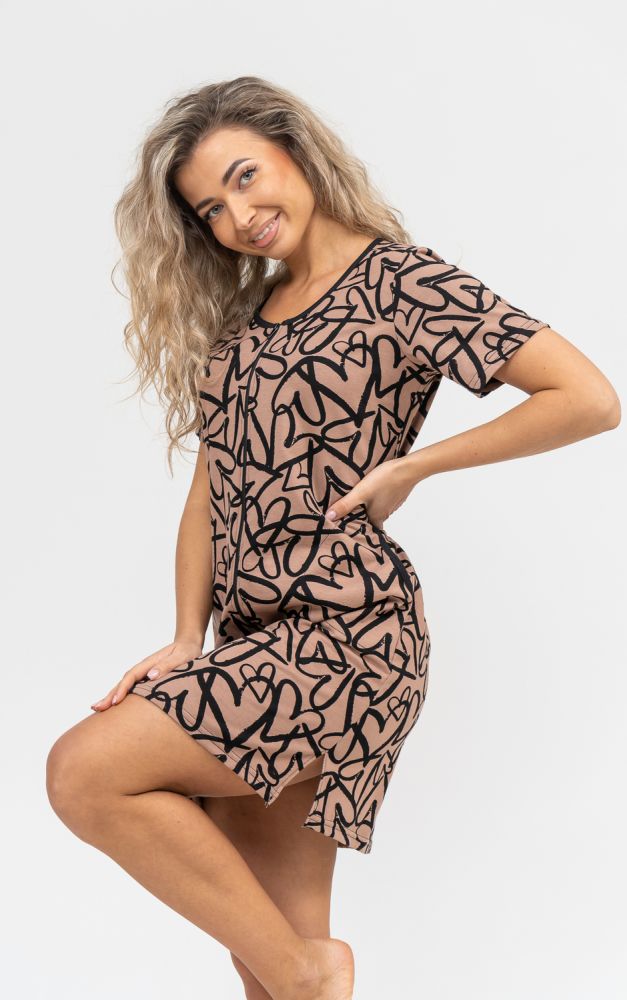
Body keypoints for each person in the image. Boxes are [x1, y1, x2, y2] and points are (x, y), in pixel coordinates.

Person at [45, 75, 621, 1000]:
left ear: (296, 150)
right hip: (254, 637)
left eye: (244, 176)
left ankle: (312, 975)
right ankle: (303, 975)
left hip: (349, 636)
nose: (238, 215)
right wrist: (188, 638)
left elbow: (587, 398)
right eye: (210, 208)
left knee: (84, 774)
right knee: (266, 962)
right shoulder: (245, 324)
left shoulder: (403, 283)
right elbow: (209, 491)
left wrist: (414, 466)